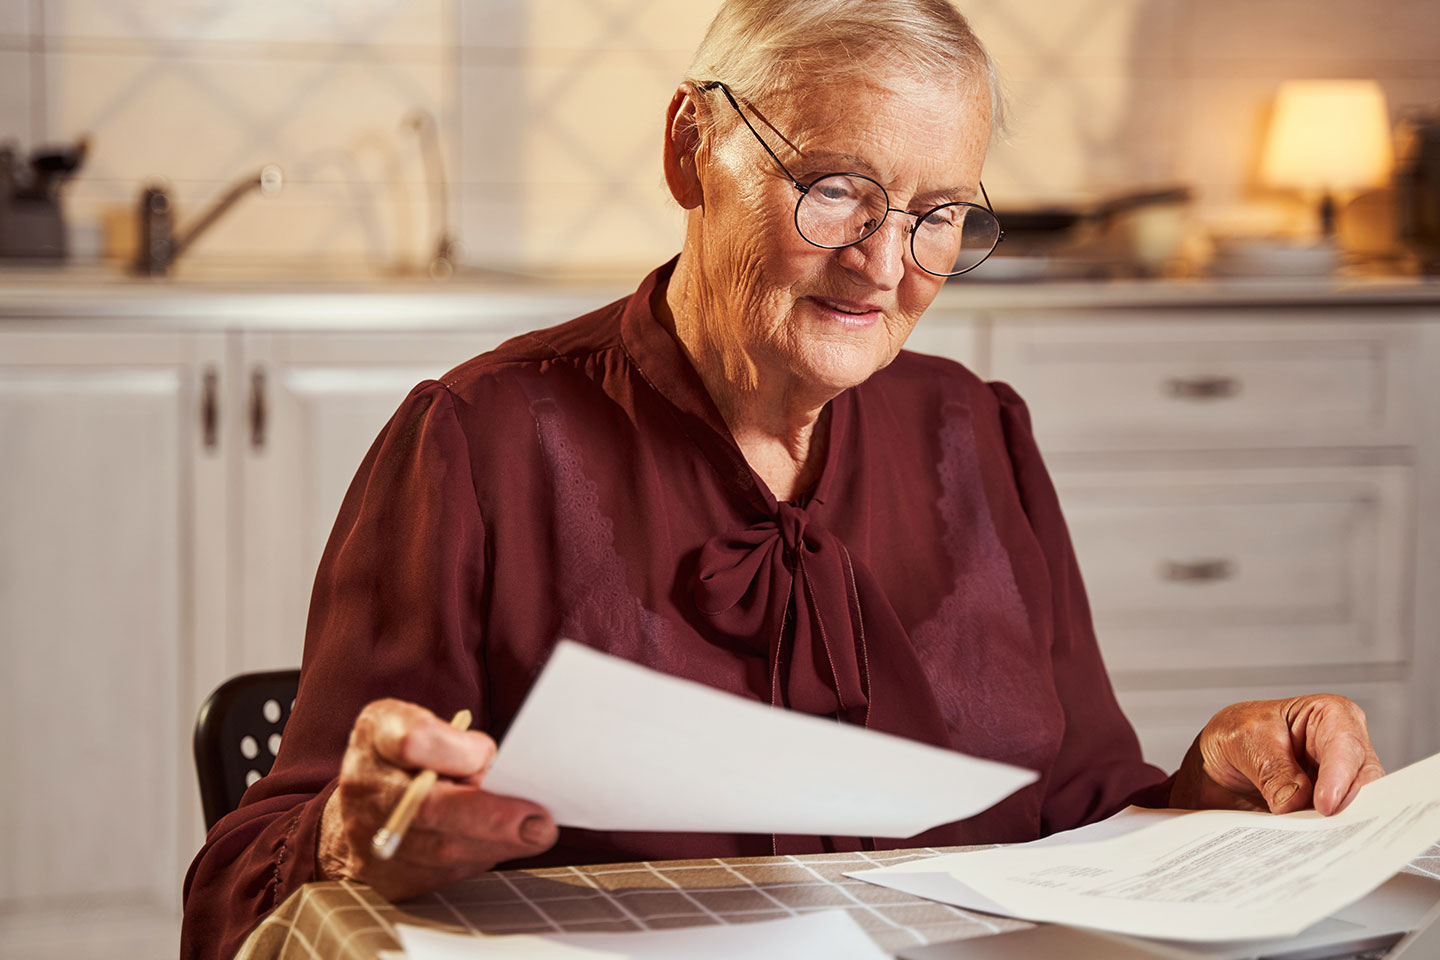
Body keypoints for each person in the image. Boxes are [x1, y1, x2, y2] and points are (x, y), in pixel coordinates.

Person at [180, 1, 1386, 956]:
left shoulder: (978, 433)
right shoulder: (480, 441)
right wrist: (352, 838)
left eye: (937, 214)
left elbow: (1077, 814)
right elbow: (246, 883)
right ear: (689, 148)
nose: (882, 266)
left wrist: (1211, 785)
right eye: (837, 190)